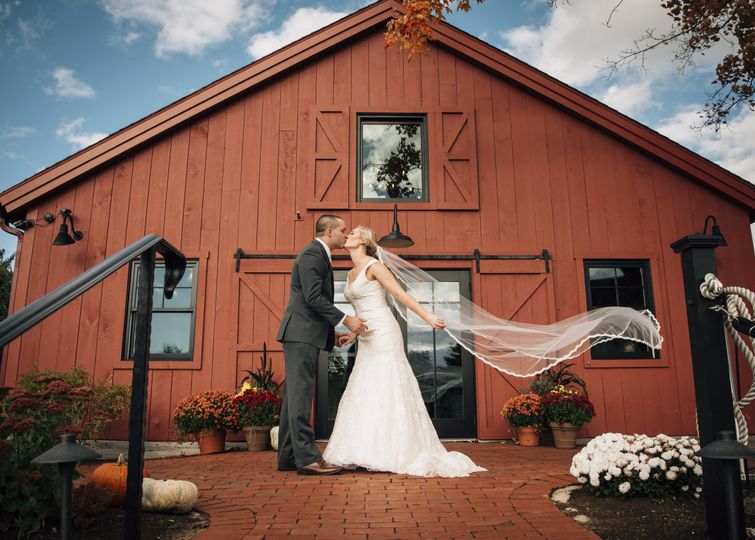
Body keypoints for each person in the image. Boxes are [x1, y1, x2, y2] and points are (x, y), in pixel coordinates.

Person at [322, 226, 486, 477]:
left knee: (389, 385)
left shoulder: (374, 266)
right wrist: (353, 334)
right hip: (366, 337)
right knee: (366, 386)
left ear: (365, 241)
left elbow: (399, 294)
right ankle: (365, 450)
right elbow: (362, 309)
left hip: (385, 335)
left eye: (353, 233)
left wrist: (427, 315)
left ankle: (396, 451)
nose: (347, 235)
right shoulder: (351, 272)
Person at [276, 215, 368, 476]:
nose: (345, 233)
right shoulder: (312, 254)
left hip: (305, 333)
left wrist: (333, 332)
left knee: (294, 397)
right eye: (342, 230)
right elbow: (313, 297)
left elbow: (312, 302)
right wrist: (346, 319)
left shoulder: (319, 254)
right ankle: (307, 459)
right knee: (301, 397)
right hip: (300, 334)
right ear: (329, 232)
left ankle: (288, 456)